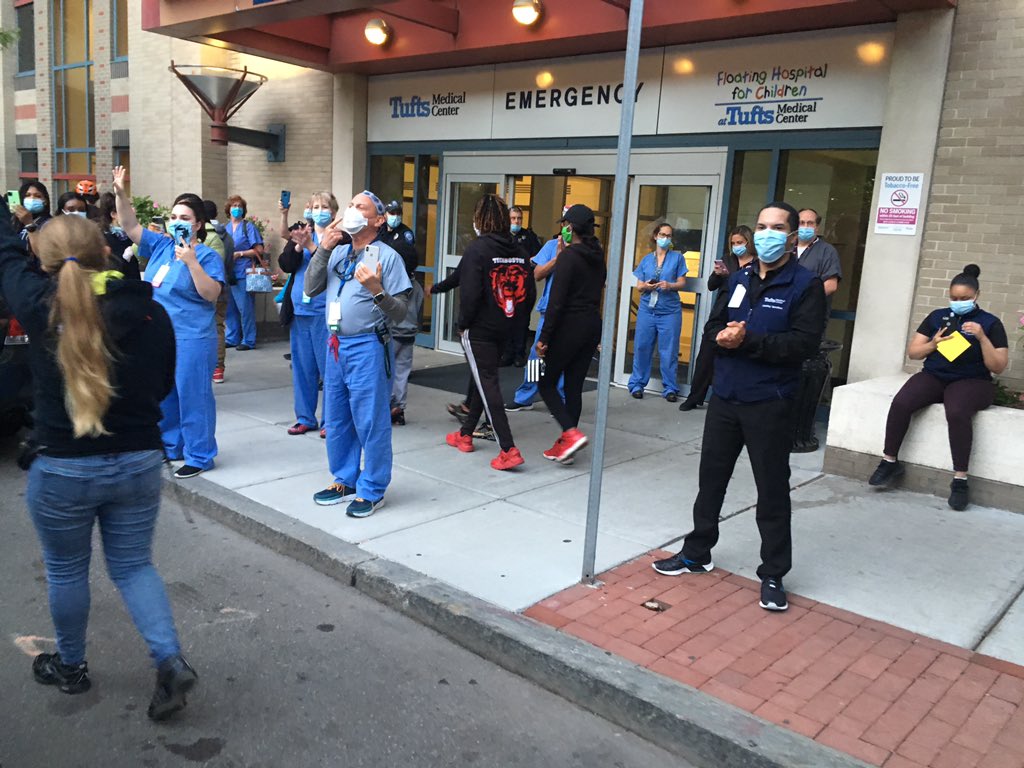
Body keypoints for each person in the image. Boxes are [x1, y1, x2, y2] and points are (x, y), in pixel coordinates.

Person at [0, 210, 198, 719]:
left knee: (67, 571)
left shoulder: (39, 303)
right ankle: (169, 661)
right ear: (105, 251)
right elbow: (162, 387)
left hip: (64, 467)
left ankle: (71, 668)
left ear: (41, 262)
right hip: (137, 460)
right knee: (134, 566)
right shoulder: (152, 314)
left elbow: (5, 256)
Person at [653, 201, 826, 613]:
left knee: (771, 492)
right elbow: (713, 325)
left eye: (776, 227)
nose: (766, 234)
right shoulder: (740, 278)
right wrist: (723, 336)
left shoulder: (805, 285)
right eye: (761, 226)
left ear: (789, 236)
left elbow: (802, 345)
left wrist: (748, 341)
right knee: (710, 481)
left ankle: (773, 573)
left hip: (769, 401)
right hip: (725, 398)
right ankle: (697, 552)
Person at [304, 190, 413, 517]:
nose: (350, 210)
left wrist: (377, 291)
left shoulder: (387, 257)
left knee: (370, 419)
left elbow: (400, 313)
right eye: (350, 205)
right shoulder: (337, 253)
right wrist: (323, 247)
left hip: (368, 345)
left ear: (378, 220)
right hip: (335, 345)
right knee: (337, 418)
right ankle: (344, 478)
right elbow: (310, 288)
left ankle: (373, 487)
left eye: (359, 207)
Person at [113, 167, 225, 479]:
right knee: (165, 393)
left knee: (193, 396)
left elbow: (211, 294)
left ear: (198, 224)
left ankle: (200, 454)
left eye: (186, 218)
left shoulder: (205, 256)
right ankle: (172, 445)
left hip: (192, 336)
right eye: (174, 216)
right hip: (161, 336)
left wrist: (191, 263)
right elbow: (129, 225)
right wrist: (122, 193)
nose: (177, 222)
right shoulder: (161, 246)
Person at [869, 264, 1008, 511]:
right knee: (902, 402)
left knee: (956, 411)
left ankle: (960, 480)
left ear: (977, 296)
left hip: (973, 380)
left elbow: (998, 366)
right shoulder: (937, 317)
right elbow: (914, 352)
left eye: (964, 298)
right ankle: (889, 461)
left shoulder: (989, 322)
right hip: (935, 374)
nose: (958, 302)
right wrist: (934, 343)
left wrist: (982, 338)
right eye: (954, 298)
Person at [444, 194, 534, 471]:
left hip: (480, 329)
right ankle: (465, 434)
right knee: (485, 379)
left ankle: (508, 448)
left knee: (488, 384)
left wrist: (463, 325)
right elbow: (528, 293)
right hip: (506, 327)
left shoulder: (478, 249)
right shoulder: (517, 250)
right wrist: (517, 322)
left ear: (481, 219)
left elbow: (470, 294)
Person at [535, 204, 606, 464]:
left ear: (571, 228)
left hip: (569, 326)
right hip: (590, 325)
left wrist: (544, 338)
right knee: (574, 385)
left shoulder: (568, 257)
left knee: (546, 382)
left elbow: (557, 301)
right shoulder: (597, 255)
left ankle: (570, 433)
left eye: (564, 224)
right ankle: (568, 445)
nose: (562, 229)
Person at [279, 191, 338, 436]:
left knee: (329, 371)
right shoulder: (304, 233)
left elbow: (331, 266)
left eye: (324, 206)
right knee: (302, 369)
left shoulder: (339, 238)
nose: (319, 210)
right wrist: (296, 245)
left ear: (334, 212)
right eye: (315, 206)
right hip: (300, 312)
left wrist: (312, 246)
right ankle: (305, 417)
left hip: (324, 313)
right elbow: (286, 265)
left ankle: (330, 421)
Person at [679, 226, 756, 411]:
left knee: (737, 357)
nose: (736, 246)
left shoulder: (758, 263)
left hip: (743, 315)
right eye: (733, 243)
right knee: (706, 356)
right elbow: (711, 286)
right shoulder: (728, 260)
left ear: (748, 242)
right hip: (721, 313)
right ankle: (695, 396)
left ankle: (730, 399)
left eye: (740, 242)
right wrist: (717, 274)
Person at [790, 208, 845, 452]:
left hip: (809, 321)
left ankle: (801, 430)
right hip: (782, 321)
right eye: (801, 222)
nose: (805, 226)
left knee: (804, 375)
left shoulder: (826, 252)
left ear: (817, 227)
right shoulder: (785, 249)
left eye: (810, 223)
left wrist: (800, 297)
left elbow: (831, 285)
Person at [627, 222, 689, 402]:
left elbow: (682, 282)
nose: (665, 238)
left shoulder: (677, 258)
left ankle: (670, 388)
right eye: (662, 235)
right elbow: (639, 286)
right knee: (642, 347)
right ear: (655, 236)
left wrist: (670, 285)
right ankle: (637, 384)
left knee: (668, 351)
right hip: (648, 310)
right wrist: (646, 286)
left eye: (668, 236)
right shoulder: (647, 259)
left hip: (669, 311)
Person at [505, 231, 566, 411]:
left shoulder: (586, 249)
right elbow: (537, 274)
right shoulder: (551, 246)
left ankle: (561, 401)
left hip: (572, 314)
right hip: (549, 311)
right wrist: (557, 259)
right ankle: (525, 396)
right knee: (536, 356)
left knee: (564, 357)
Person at [381, 200, 424, 426]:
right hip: (409, 335)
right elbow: (419, 309)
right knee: (402, 371)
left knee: (387, 370)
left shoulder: (395, 286)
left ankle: (388, 406)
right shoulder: (416, 286)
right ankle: (400, 407)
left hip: (393, 333)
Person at [502, 205, 542, 367]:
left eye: (519, 218)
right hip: (505, 286)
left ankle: (519, 354)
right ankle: (506, 353)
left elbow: (538, 257)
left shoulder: (529, 237)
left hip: (524, 286)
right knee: (506, 320)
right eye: (513, 218)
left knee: (521, 321)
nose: (516, 221)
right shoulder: (502, 236)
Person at [224, 195, 264, 351]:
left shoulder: (248, 227)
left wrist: (240, 254)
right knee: (230, 308)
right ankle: (232, 337)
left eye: (239, 205)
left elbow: (259, 249)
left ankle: (249, 340)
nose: (236, 208)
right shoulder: (224, 228)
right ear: (228, 209)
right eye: (233, 205)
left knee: (245, 308)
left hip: (243, 272)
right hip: (228, 272)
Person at [203, 200, 234, 384]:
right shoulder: (227, 236)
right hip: (223, 287)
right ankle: (218, 368)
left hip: (205, 288)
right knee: (218, 326)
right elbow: (229, 262)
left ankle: (210, 366)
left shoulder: (204, 237)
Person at [98, 191, 141, 279]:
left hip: (135, 285)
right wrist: (125, 257)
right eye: (126, 209)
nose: (133, 211)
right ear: (113, 214)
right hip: (118, 286)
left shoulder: (132, 233)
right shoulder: (104, 237)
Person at [10, 181, 53, 256]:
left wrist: (29, 224)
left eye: (38, 196)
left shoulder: (50, 224)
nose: (32, 199)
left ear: (45, 201)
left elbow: (43, 253)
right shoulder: (15, 222)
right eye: (27, 195)